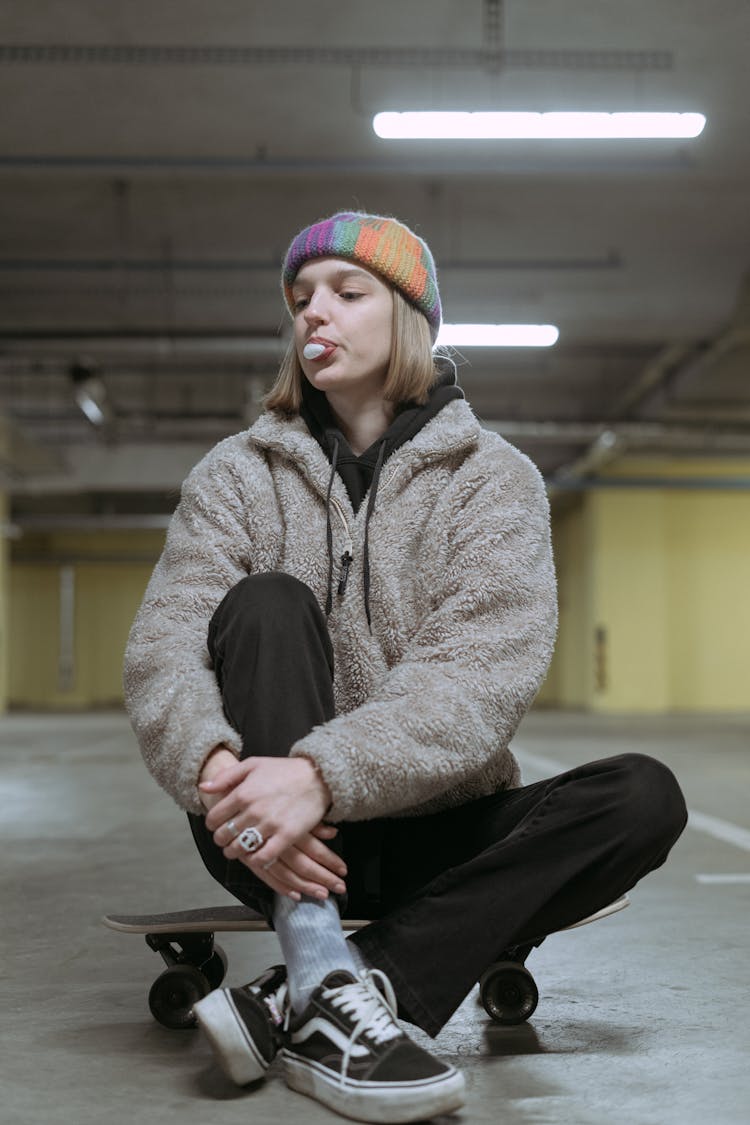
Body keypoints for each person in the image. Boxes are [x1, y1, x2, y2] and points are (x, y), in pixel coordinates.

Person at [123, 211, 687, 1124]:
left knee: (643, 794)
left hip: (438, 827)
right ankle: (321, 959)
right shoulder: (236, 473)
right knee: (267, 599)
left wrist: (324, 774)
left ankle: (322, 990)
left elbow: (479, 679)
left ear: (412, 318)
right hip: (270, 835)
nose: (315, 315)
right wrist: (217, 771)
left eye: (348, 294)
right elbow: (164, 646)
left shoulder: (492, 479)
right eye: (301, 300)